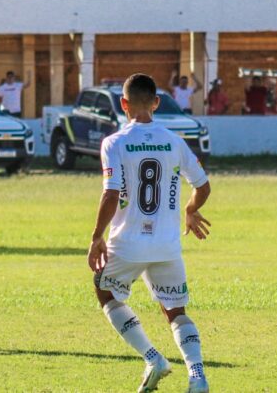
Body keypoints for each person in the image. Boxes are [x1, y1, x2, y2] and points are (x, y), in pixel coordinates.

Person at [89, 73, 211, 393]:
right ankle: (197, 377)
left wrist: (96, 237)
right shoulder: (174, 141)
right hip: (167, 246)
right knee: (175, 311)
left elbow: (111, 194)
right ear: (156, 103)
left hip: (127, 244)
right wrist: (190, 209)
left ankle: (153, 357)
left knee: (104, 290)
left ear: (123, 104)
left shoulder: (114, 142)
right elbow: (203, 185)